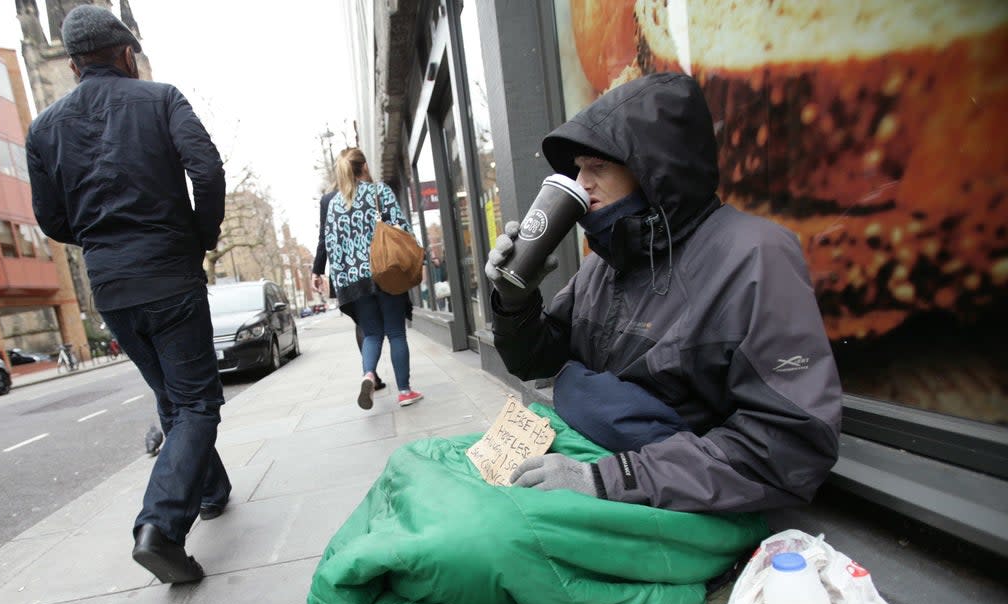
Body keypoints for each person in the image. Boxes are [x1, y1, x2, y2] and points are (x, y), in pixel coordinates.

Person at [485, 72, 842, 513]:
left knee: (474, 547)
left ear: (653, 173)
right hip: (599, 460)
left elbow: (789, 444)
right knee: (433, 480)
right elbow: (535, 361)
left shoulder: (755, 255)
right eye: (577, 169)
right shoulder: (607, 263)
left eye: (597, 168)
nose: (581, 183)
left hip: (680, 496)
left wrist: (608, 479)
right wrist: (514, 300)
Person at [26, 5, 230, 583]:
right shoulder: (161, 98)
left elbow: (52, 219)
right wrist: (199, 237)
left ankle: (211, 491)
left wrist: (100, 240)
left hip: (111, 285)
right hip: (169, 270)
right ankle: (160, 528)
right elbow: (207, 171)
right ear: (125, 54)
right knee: (196, 404)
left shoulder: (43, 129)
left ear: (72, 66)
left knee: (172, 397)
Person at [319, 148, 423, 410]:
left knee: (373, 334)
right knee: (396, 333)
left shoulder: (334, 205)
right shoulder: (379, 192)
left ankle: (368, 375)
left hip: (353, 282)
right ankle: (405, 391)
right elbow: (402, 229)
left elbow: (331, 246)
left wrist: (341, 285)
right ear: (363, 167)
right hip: (384, 271)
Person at [312, 167, 385, 391]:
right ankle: (399, 383)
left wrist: (317, 270)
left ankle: (370, 374)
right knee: (386, 325)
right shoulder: (370, 191)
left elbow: (324, 238)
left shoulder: (328, 200)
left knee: (363, 324)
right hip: (377, 265)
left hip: (344, 273)